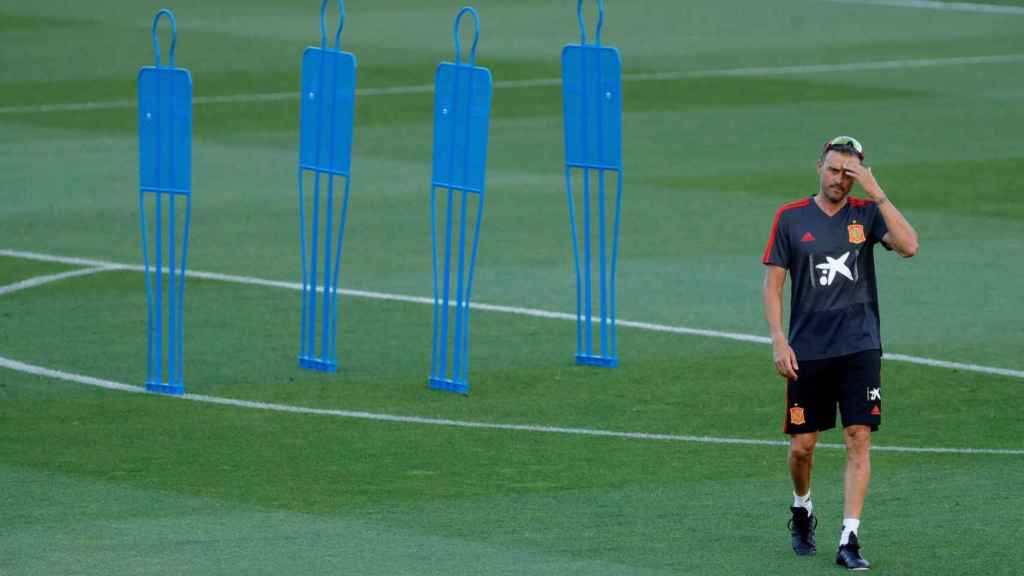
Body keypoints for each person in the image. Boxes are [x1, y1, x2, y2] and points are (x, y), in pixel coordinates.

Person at [761, 136, 919, 570]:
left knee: (858, 437)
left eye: (850, 173)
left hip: (859, 346)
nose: (840, 180)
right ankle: (802, 506)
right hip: (808, 350)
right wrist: (778, 338)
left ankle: (849, 537)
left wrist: (876, 190)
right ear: (819, 167)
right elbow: (773, 283)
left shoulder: (866, 215)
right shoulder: (791, 218)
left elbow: (909, 246)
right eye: (834, 170)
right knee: (803, 447)